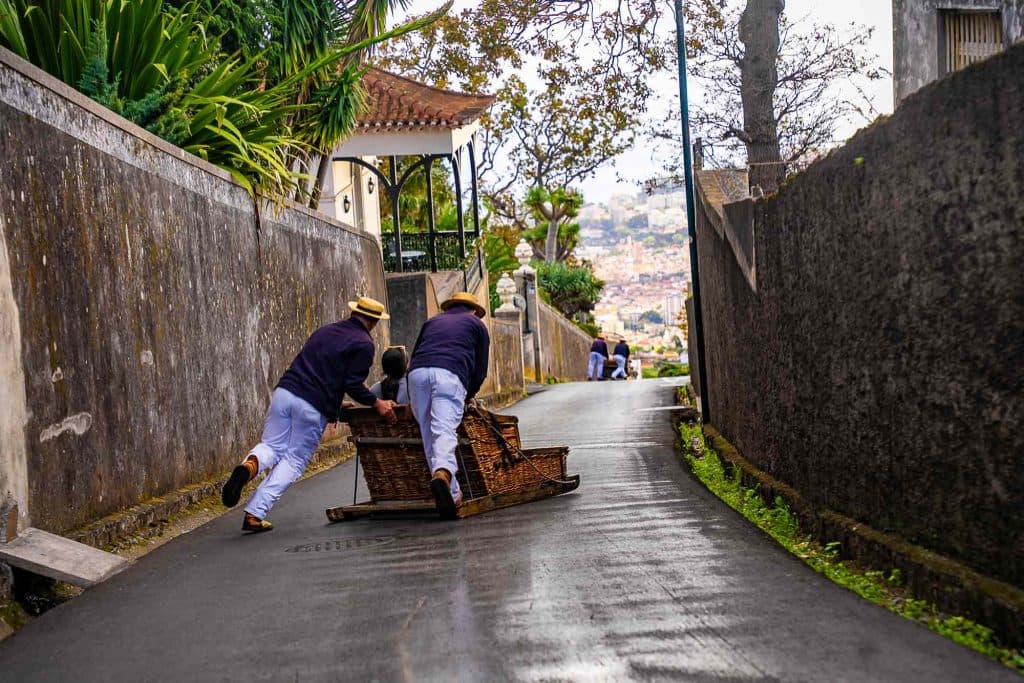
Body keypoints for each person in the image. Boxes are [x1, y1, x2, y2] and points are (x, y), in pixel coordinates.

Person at [221, 296, 397, 533]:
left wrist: (334, 403)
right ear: (374, 321)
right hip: (312, 406)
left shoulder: (325, 331)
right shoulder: (363, 343)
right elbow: (352, 383)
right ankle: (254, 514)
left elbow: (321, 371)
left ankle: (249, 467)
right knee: (293, 460)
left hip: (286, 391)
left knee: (271, 445)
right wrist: (377, 403)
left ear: (354, 313)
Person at [407, 292, 490, 519]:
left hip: (417, 374)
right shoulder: (476, 325)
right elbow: (480, 370)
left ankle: (452, 494)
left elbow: (413, 356)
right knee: (443, 429)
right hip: (449, 374)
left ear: (451, 307)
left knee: (428, 433)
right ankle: (443, 472)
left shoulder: (432, 321)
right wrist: (468, 394)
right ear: (474, 310)